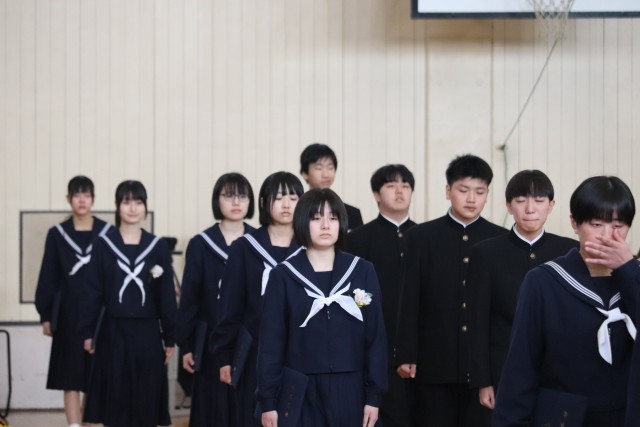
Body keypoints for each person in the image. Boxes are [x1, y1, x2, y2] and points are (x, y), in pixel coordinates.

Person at [493, 175, 639, 427]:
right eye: (596, 224)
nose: (607, 236)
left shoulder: (634, 279)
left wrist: (628, 271)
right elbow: (521, 367)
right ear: (574, 222)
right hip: (564, 417)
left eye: (618, 226)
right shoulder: (544, 281)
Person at [257, 188, 387, 427]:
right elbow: (271, 343)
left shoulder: (362, 270)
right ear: (302, 222)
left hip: (353, 389)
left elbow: (375, 337)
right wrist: (268, 401)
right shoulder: (283, 276)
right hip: (301, 390)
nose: (326, 225)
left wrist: (374, 396)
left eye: (333, 218)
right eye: (316, 218)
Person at [395, 154, 506, 427]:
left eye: (480, 191)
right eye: (463, 190)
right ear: (448, 191)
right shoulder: (420, 237)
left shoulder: (500, 239)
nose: (471, 199)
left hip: (483, 367)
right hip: (433, 359)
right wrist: (406, 353)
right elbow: (409, 299)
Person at [468, 170, 578, 412]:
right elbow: (477, 321)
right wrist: (483, 381)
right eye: (520, 201)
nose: (530, 209)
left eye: (539, 201)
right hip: (503, 368)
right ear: (508, 206)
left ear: (551, 205)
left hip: (559, 370)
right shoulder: (486, 252)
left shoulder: (570, 251)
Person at [79, 180, 177, 427]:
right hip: (113, 332)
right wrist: (88, 332)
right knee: (116, 399)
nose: (133, 208)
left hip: (148, 333)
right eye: (126, 202)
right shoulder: (103, 245)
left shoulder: (157, 246)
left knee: (146, 397)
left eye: (138, 202)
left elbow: (166, 295)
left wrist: (170, 336)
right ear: (117, 206)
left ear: (145, 207)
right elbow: (92, 292)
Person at [213, 171, 304, 426]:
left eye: (293, 198)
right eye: (279, 197)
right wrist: (224, 357)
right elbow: (230, 307)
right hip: (256, 352)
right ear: (263, 202)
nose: (286, 205)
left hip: (301, 352)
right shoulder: (245, 248)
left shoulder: (310, 247)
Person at [177, 173, 256, 427]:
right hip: (212, 341)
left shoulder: (259, 242)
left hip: (251, 342)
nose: (236, 202)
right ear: (217, 200)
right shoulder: (201, 244)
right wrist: (186, 345)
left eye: (242, 196)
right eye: (229, 196)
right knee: (214, 411)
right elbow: (190, 299)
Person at [34, 176, 112, 427]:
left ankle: (89, 423)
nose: (82, 200)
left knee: (94, 375)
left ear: (93, 199)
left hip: (99, 315)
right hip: (68, 315)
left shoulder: (107, 233)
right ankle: (74, 425)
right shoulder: (57, 234)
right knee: (71, 376)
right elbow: (48, 276)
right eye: (77, 195)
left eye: (86, 195)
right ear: (69, 199)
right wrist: (46, 315)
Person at [345, 164, 418, 427]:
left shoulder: (425, 236)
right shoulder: (358, 239)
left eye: (405, 185)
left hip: (419, 349)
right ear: (376, 194)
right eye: (391, 185)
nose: (399, 191)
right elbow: (353, 294)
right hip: (374, 343)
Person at [299, 143, 363, 230]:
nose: (326, 175)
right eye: (319, 168)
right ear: (304, 174)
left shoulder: (352, 213)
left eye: (330, 167)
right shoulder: (296, 211)